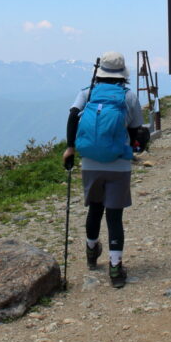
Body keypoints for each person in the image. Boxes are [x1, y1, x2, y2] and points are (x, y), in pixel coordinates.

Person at [63, 51, 144, 288]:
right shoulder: (128, 96)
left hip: (89, 162)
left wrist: (70, 148)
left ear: (100, 72)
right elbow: (137, 129)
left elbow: (72, 117)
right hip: (119, 164)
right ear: (122, 74)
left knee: (95, 209)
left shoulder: (87, 92)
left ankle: (91, 252)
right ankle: (116, 269)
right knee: (115, 216)